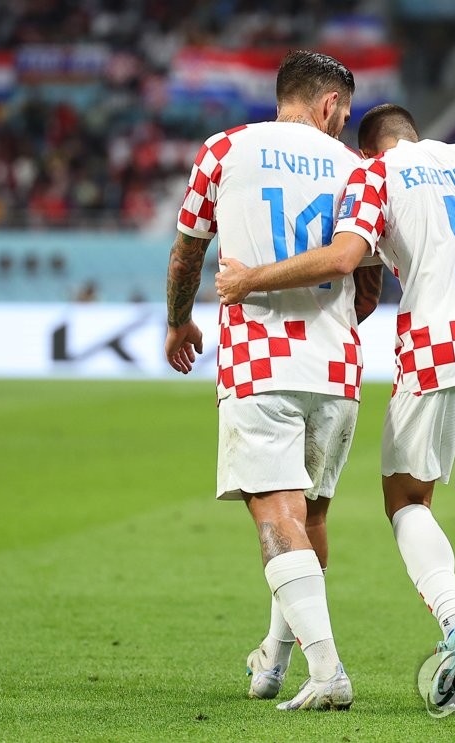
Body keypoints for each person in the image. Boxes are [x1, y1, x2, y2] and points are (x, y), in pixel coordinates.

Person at [215, 103, 455, 712]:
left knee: (407, 501)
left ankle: (454, 620)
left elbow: (344, 259)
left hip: (436, 351)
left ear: (374, 148)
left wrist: (248, 281)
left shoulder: (378, 175)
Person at [165, 50, 382, 711]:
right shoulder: (357, 170)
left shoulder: (225, 149)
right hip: (337, 365)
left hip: (260, 362)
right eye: (343, 112)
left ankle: (328, 669)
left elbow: (187, 251)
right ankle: (274, 659)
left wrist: (179, 322)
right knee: (311, 514)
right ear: (329, 106)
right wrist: (336, 312)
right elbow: (367, 282)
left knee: (274, 513)